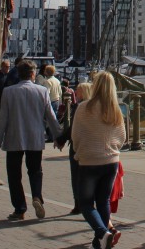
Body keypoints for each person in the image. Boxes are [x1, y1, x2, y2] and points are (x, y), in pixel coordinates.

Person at [0, 59, 61, 221]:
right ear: (32, 74)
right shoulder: (42, 91)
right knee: (35, 170)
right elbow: (51, 117)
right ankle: (37, 196)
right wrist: (58, 136)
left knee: (14, 174)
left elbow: (3, 119)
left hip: (14, 137)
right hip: (35, 137)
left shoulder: (9, 92)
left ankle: (19, 208)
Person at [71, 71, 127, 249]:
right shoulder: (115, 110)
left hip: (89, 160)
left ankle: (102, 232)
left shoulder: (83, 108)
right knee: (103, 201)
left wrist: (80, 151)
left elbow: (76, 135)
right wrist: (113, 149)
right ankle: (101, 240)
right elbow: (122, 137)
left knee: (85, 202)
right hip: (111, 161)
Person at [55, 80, 92, 215]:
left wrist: (60, 139)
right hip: (89, 145)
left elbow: (73, 127)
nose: (76, 92)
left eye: (79, 90)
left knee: (76, 175)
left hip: (77, 145)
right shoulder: (93, 107)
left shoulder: (79, 107)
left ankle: (79, 203)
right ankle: (88, 202)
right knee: (87, 175)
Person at [37, 65, 62, 142]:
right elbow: (60, 92)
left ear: (46, 72)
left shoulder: (47, 81)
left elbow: (46, 93)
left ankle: (50, 136)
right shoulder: (57, 80)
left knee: (47, 119)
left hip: (50, 101)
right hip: (57, 100)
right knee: (54, 118)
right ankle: (54, 134)